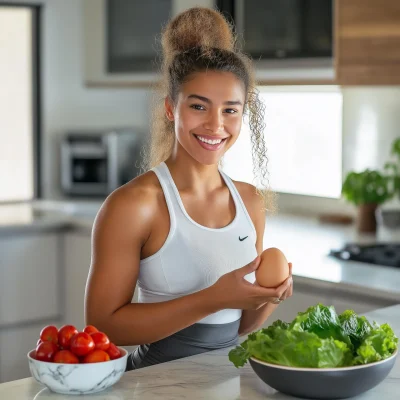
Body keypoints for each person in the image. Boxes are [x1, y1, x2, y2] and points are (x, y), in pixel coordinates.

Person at [84, 7, 293, 371]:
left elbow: (242, 326)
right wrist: (212, 298)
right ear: (170, 109)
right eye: (199, 106)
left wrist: (269, 296)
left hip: (228, 381)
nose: (216, 125)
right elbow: (103, 325)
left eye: (231, 110)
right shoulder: (135, 205)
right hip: (152, 385)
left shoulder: (249, 202)